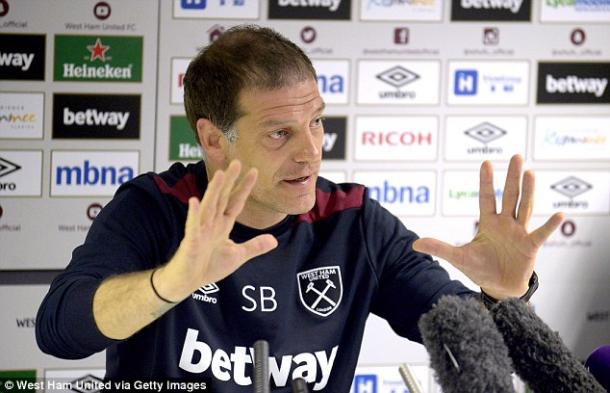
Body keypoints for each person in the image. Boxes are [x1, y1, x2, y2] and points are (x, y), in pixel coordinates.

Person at [36, 25, 563, 392]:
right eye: (279, 132)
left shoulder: (353, 220)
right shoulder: (155, 208)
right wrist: (169, 284)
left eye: (315, 122)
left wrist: (502, 297)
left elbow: (463, 336)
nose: (311, 151)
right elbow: (58, 330)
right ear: (214, 140)